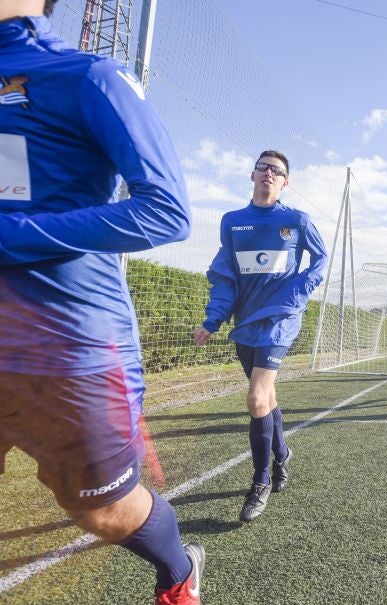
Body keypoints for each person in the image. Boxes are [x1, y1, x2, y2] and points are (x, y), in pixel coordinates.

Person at [0, 1, 204, 603]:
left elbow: (165, 211)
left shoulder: (87, 76)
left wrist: (9, 237)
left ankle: (179, 571)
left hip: (68, 349)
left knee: (104, 514)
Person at [193, 150, 327, 523]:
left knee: (255, 397)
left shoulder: (296, 220)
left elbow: (320, 260)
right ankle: (282, 454)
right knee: (267, 398)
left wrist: (298, 292)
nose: (269, 173)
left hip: (281, 319)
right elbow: (225, 276)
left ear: (286, 182)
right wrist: (213, 319)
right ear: (252, 174)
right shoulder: (233, 222)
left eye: (278, 171)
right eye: (263, 167)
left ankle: (261, 480)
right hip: (246, 323)